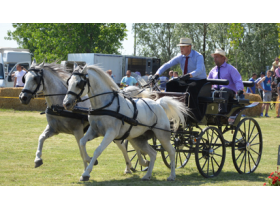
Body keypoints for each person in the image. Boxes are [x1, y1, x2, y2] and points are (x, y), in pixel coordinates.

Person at [154, 37, 207, 121]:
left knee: (191, 89)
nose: (180, 49)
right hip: (187, 79)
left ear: (189, 47)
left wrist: (189, 75)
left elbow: (199, 70)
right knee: (170, 84)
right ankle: (172, 111)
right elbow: (167, 64)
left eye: (183, 47)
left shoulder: (198, 56)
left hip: (199, 80)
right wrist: (157, 74)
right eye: (180, 47)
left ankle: (193, 115)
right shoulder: (180, 56)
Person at [208, 49, 244, 114]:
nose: (215, 59)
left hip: (228, 92)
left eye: (217, 57)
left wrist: (239, 90)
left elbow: (237, 80)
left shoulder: (231, 69)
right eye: (214, 57)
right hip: (216, 91)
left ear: (223, 58)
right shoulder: (213, 70)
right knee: (208, 92)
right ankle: (207, 113)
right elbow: (208, 82)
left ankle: (222, 113)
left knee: (223, 90)